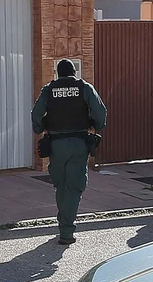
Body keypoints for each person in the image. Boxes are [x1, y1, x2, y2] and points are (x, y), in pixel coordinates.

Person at [31, 59, 107, 244]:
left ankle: (63, 224)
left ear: (57, 73)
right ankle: (66, 232)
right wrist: (97, 127)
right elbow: (100, 111)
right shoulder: (84, 87)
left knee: (61, 186)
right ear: (74, 72)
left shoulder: (49, 89)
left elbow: (36, 114)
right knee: (74, 187)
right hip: (78, 143)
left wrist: (40, 128)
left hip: (56, 145)